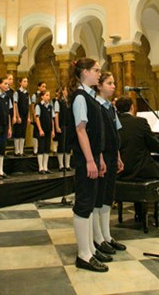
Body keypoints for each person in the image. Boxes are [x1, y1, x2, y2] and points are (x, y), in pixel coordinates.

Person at [67, 57, 109, 272]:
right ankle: (83, 255)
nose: (98, 73)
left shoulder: (90, 97)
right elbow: (81, 130)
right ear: (84, 72)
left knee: (91, 202)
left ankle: (90, 249)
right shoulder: (80, 97)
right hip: (85, 159)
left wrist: (99, 157)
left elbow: (96, 133)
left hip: (93, 157)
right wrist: (91, 160)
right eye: (95, 70)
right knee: (84, 203)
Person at [115, 96, 159, 220]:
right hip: (139, 169)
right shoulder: (140, 122)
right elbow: (153, 143)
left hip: (120, 171)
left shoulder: (114, 122)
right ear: (131, 107)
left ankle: (139, 211)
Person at [93, 71, 126, 255]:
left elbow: (115, 133)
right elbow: (97, 135)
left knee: (108, 197)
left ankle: (107, 235)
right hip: (101, 156)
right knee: (98, 198)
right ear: (99, 86)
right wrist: (99, 157)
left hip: (113, 155)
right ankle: (97, 237)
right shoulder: (96, 106)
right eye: (110, 83)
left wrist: (119, 156)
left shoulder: (111, 108)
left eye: (113, 83)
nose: (114, 86)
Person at [35, 89, 55, 174]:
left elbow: (52, 119)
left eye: (49, 95)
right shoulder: (38, 106)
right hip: (42, 130)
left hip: (48, 129)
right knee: (41, 147)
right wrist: (40, 129)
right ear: (42, 96)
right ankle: (41, 167)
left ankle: (45, 167)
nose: (48, 97)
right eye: (46, 95)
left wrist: (52, 130)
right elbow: (37, 118)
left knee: (47, 148)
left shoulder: (50, 107)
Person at [12, 77, 30, 156]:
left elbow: (28, 106)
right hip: (19, 115)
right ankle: (17, 150)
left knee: (23, 133)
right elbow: (15, 104)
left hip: (25, 115)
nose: (26, 83)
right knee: (17, 132)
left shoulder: (27, 93)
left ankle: (21, 150)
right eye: (24, 81)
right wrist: (17, 116)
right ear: (20, 83)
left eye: (27, 81)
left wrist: (29, 117)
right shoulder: (17, 93)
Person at [54, 87, 71, 170]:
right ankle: (61, 165)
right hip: (62, 125)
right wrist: (57, 126)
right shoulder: (58, 102)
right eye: (64, 90)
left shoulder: (69, 102)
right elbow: (56, 115)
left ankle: (67, 165)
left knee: (68, 146)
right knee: (61, 145)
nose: (66, 92)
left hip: (69, 126)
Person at [31, 81, 47, 155]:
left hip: (43, 116)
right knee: (35, 132)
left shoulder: (45, 95)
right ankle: (35, 148)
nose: (44, 88)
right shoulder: (35, 95)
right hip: (37, 115)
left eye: (45, 87)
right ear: (39, 87)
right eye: (43, 86)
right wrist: (34, 116)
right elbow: (32, 106)